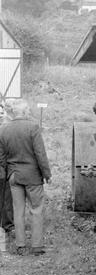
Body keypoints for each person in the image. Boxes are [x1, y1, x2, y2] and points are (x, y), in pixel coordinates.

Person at [0, 99, 52, 256]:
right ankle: (37, 246)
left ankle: (20, 245)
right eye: (28, 109)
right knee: (36, 209)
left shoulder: (4, 130)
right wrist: (47, 174)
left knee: (18, 210)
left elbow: (1, 158)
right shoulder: (33, 127)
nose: (29, 111)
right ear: (23, 112)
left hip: (14, 176)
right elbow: (40, 154)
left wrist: (8, 172)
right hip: (32, 177)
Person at [0, 104, 14, 233]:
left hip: (4, 168)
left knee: (6, 197)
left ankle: (7, 224)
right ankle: (8, 225)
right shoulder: (6, 128)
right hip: (4, 168)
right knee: (6, 197)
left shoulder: (6, 128)